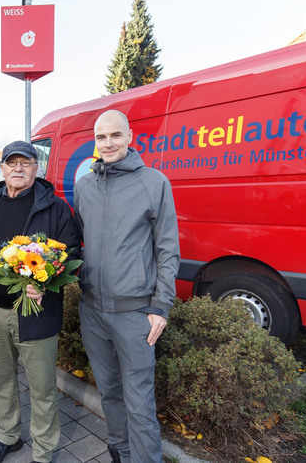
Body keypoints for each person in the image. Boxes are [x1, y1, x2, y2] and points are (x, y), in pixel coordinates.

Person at [74, 110, 180, 463]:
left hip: (135, 315)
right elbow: (79, 242)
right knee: (109, 394)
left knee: (139, 402)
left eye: (115, 135)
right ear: (95, 140)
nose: (108, 143)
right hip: (91, 311)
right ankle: (118, 452)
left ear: (130, 136)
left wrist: (160, 307)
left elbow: (167, 249)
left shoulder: (154, 182)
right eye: (101, 137)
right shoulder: (85, 185)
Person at [0, 141, 81, 463]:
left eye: (26, 163)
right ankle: (8, 436)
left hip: (36, 313)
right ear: (2, 168)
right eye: (12, 163)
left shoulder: (55, 208)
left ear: (37, 168)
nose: (18, 169)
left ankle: (44, 451)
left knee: (42, 388)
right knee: (1, 380)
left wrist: (46, 284)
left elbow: (71, 253)